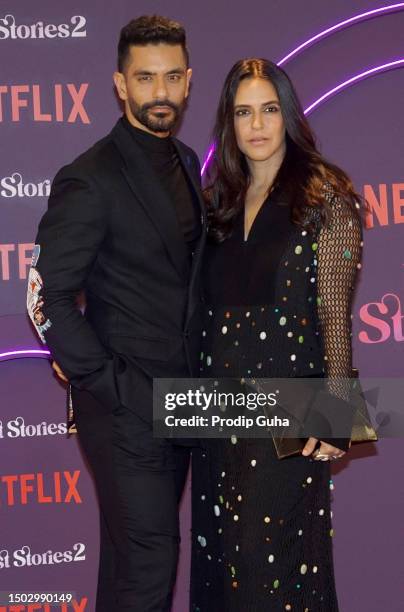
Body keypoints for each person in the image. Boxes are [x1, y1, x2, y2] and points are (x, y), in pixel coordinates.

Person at [27, 15, 206, 612]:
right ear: (120, 85)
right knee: (150, 567)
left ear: (188, 81)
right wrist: (108, 384)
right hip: (129, 409)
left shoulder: (184, 159)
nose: (161, 92)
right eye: (145, 78)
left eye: (172, 77)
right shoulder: (91, 176)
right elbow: (48, 298)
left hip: (185, 402)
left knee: (132, 570)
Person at [191, 59, 363, 612]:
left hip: (289, 426)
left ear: (287, 115)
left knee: (279, 582)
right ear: (229, 122)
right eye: (244, 112)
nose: (257, 124)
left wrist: (337, 416)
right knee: (224, 578)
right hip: (218, 422)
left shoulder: (326, 197)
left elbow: (335, 315)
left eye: (269, 109)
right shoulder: (218, 204)